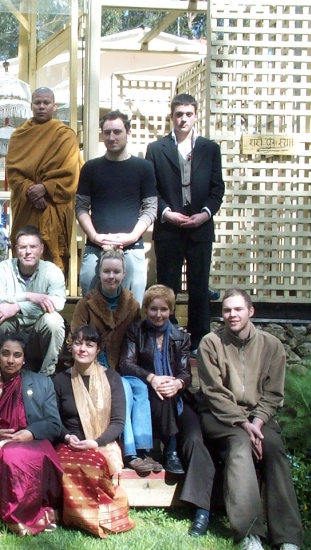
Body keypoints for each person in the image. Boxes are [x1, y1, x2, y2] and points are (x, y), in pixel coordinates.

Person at [196, 289, 302, 550]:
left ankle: (287, 537)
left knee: (274, 450)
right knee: (241, 446)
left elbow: (274, 393)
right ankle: (249, 533)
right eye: (227, 310)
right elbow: (213, 392)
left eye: (238, 309)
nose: (232, 315)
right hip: (220, 417)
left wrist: (257, 422)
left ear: (250, 311)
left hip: (259, 420)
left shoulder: (271, 345)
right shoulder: (211, 343)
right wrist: (244, 424)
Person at [119, 285, 214, 536]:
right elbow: (125, 363)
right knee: (163, 390)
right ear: (146, 309)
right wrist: (151, 378)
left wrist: (178, 383)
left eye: (163, 309)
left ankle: (201, 509)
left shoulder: (180, 336)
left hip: (177, 399)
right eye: (153, 309)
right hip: (150, 398)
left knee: (194, 437)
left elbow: (185, 374)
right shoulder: (136, 332)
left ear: (170, 310)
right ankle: (170, 451)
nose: (158, 314)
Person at [146, 93, 225, 352]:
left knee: (199, 284)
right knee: (168, 284)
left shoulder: (209, 148)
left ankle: (200, 339)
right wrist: (167, 213)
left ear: (195, 116)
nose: (183, 119)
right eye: (179, 114)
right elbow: (150, 189)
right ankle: (168, 335)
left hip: (200, 226)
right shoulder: (156, 149)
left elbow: (217, 188)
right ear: (172, 116)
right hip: (169, 227)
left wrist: (205, 213)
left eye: (188, 114)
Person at [0, 332, 62, 536]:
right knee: (11, 458)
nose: (10, 360)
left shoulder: (42, 383)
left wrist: (31, 432)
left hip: (33, 439)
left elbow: (54, 424)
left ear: (24, 358)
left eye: (17, 355)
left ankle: (41, 511)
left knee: (41, 456)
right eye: (5, 354)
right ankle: (16, 517)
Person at [71, 246, 157, 473]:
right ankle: (130, 452)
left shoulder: (132, 304)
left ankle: (145, 448)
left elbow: (138, 338)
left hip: (124, 365)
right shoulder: (86, 304)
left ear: (124, 274)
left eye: (116, 272)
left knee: (139, 387)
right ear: (99, 272)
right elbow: (77, 339)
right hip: (94, 367)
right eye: (107, 271)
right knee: (125, 391)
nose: (111, 276)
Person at [53, 325, 135, 538]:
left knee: (91, 464)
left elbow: (118, 422)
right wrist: (66, 436)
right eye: (78, 343)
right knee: (66, 464)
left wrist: (96, 443)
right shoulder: (60, 380)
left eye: (89, 345)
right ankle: (75, 516)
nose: (83, 349)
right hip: (69, 442)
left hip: (101, 443)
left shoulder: (112, 378)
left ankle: (88, 516)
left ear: (98, 349)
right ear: (71, 346)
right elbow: (54, 420)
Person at [76, 110, 157, 305]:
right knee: (90, 306)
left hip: (132, 248)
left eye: (117, 132)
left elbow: (151, 208)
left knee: (132, 309)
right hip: (96, 248)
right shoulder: (91, 168)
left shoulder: (144, 168)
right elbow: (80, 206)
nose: (112, 137)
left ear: (128, 133)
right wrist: (95, 236)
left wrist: (133, 236)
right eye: (107, 132)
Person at [6, 87, 81, 273]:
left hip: (52, 206)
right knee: (25, 256)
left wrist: (46, 188)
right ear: (31, 106)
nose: (41, 107)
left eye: (46, 103)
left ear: (54, 106)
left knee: (52, 263)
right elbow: (13, 173)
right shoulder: (19, 136)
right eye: (37, 103)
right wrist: (31, 190)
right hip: (26, 206)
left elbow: (71, 172)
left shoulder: (65, 135)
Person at [0, 225, 66, 376]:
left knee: (54, 320)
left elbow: (58, 302)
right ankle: (6, 374)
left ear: (41, 248)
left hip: (37, 332)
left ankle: (46, 375)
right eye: (23, 247)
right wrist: (28, 296)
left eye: (33, 247)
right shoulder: (2, 269)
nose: (28, 252)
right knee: (1, 318)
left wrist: (17, 307)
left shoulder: (52, 271)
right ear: (16, 250)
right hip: (11, 331)